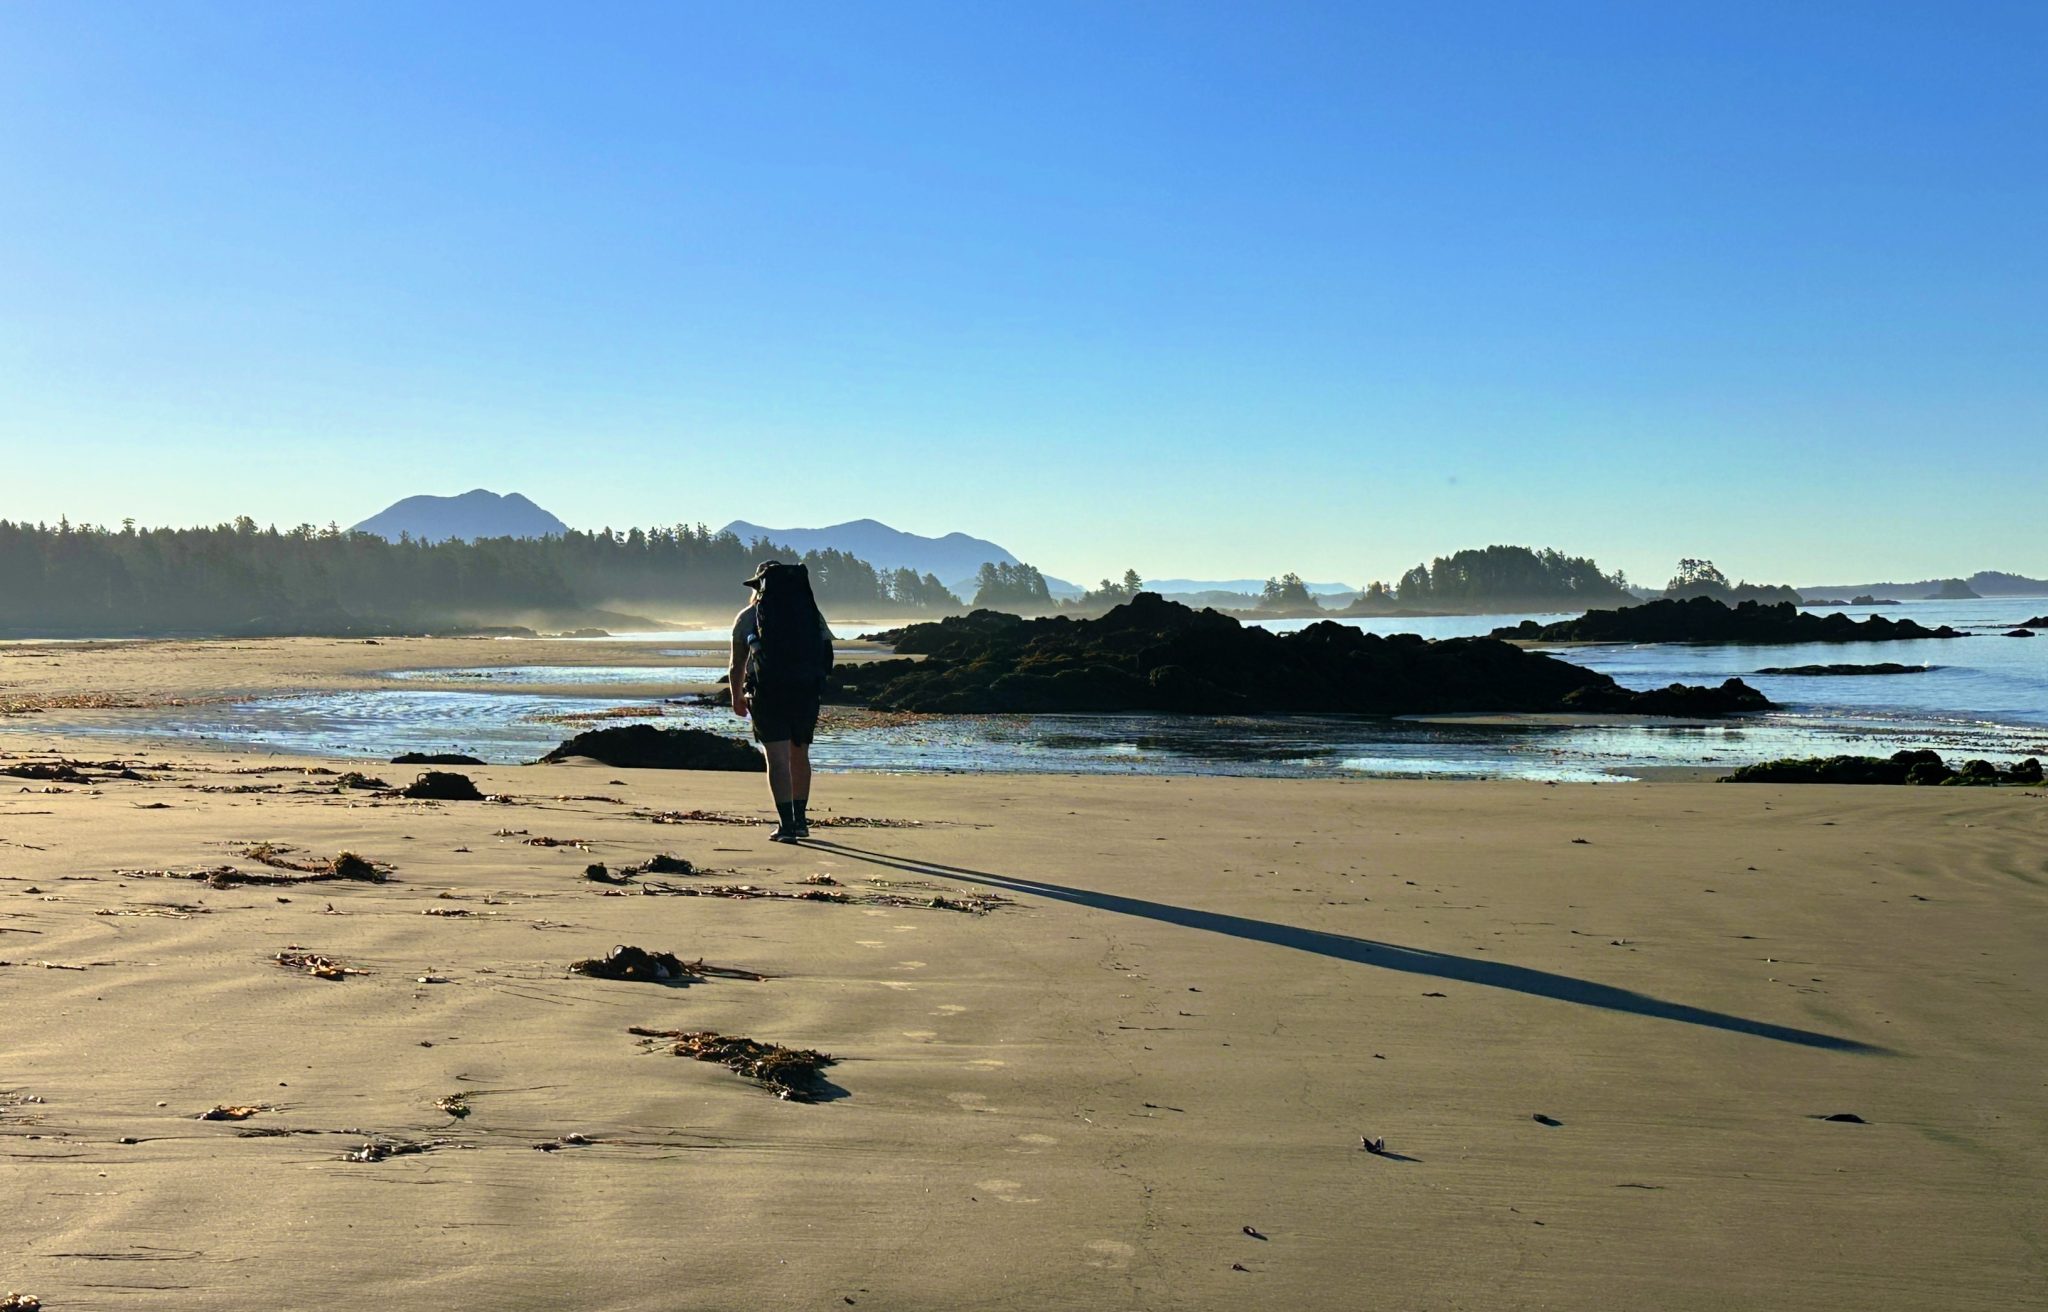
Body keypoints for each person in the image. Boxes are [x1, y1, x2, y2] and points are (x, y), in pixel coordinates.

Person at [730, 559, 835, 841]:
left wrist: (736, 696)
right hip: (805, 692)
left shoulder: (748, 616)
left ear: (759, 586)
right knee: (799, 755)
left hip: (767, 692)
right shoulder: (810, 614)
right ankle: (800, 821)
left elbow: (737, 664)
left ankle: (786, 825)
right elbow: (826, 653)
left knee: (777, 759)